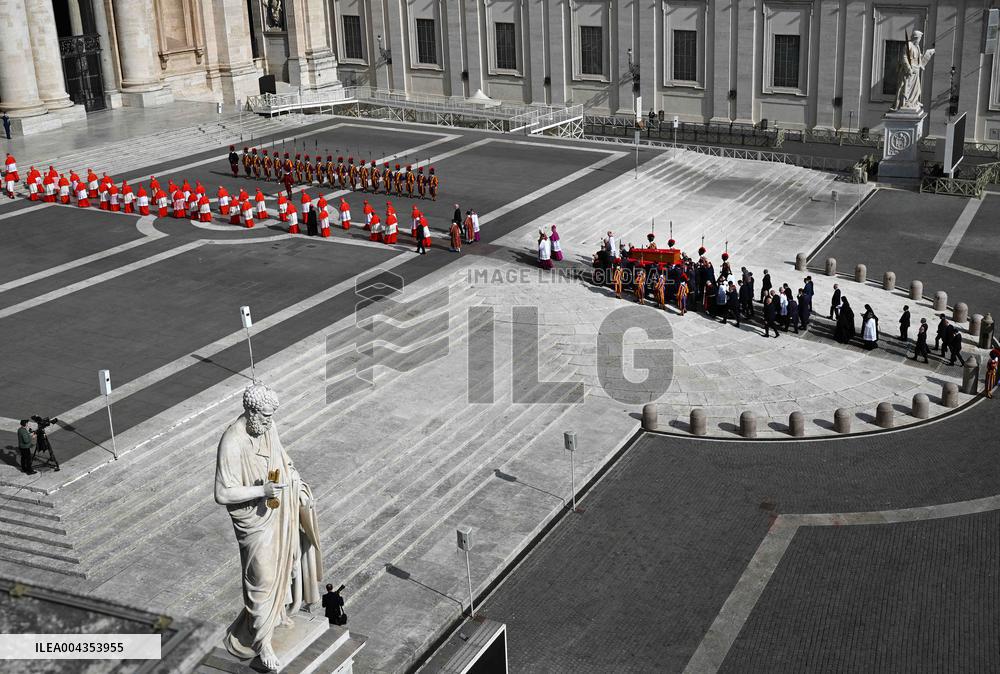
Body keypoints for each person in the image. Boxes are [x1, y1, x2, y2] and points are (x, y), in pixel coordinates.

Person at [214, 385, 322, 672]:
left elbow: (284, 462)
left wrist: (296, 484)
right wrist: (262, 490)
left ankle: (269, 622)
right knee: (261, 578)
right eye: (264, 416)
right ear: (250, 411)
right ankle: (263, 645)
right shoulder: (232, 442)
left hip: (277, 511)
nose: (269, 421)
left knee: (283, 569)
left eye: (272, 416)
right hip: (253, 522)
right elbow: (222, 493)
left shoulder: (268, 428)